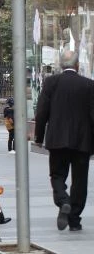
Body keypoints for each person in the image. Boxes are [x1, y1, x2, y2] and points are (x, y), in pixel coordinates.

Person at [34, 50, 94, 232]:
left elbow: (42, 111)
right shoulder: (89, 84)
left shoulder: (51, 82)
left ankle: (63, 200)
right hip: (82, 141)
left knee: (57, 175)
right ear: (77, 65)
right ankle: (74, 220)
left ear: (61, 65)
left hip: (57, 138)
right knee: (80, 180)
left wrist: (38, 137)